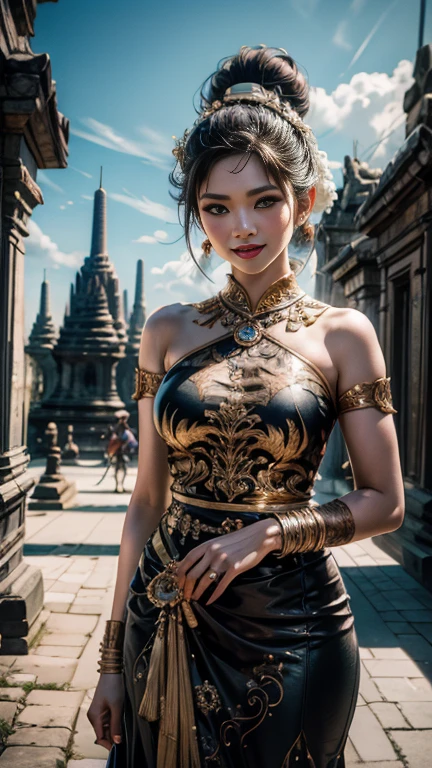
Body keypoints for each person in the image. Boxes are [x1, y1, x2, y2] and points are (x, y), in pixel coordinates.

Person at [87, 45, 404, 768]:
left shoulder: (344, 335)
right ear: (197, 214)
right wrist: (108, 657)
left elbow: (386, 502)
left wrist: (265, 536)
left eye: (265, 200)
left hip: (291, 632)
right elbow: (144, 503)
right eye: (216, 208)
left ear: (307, 200)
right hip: (160, 619)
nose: (243, 229)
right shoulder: (167, 329)